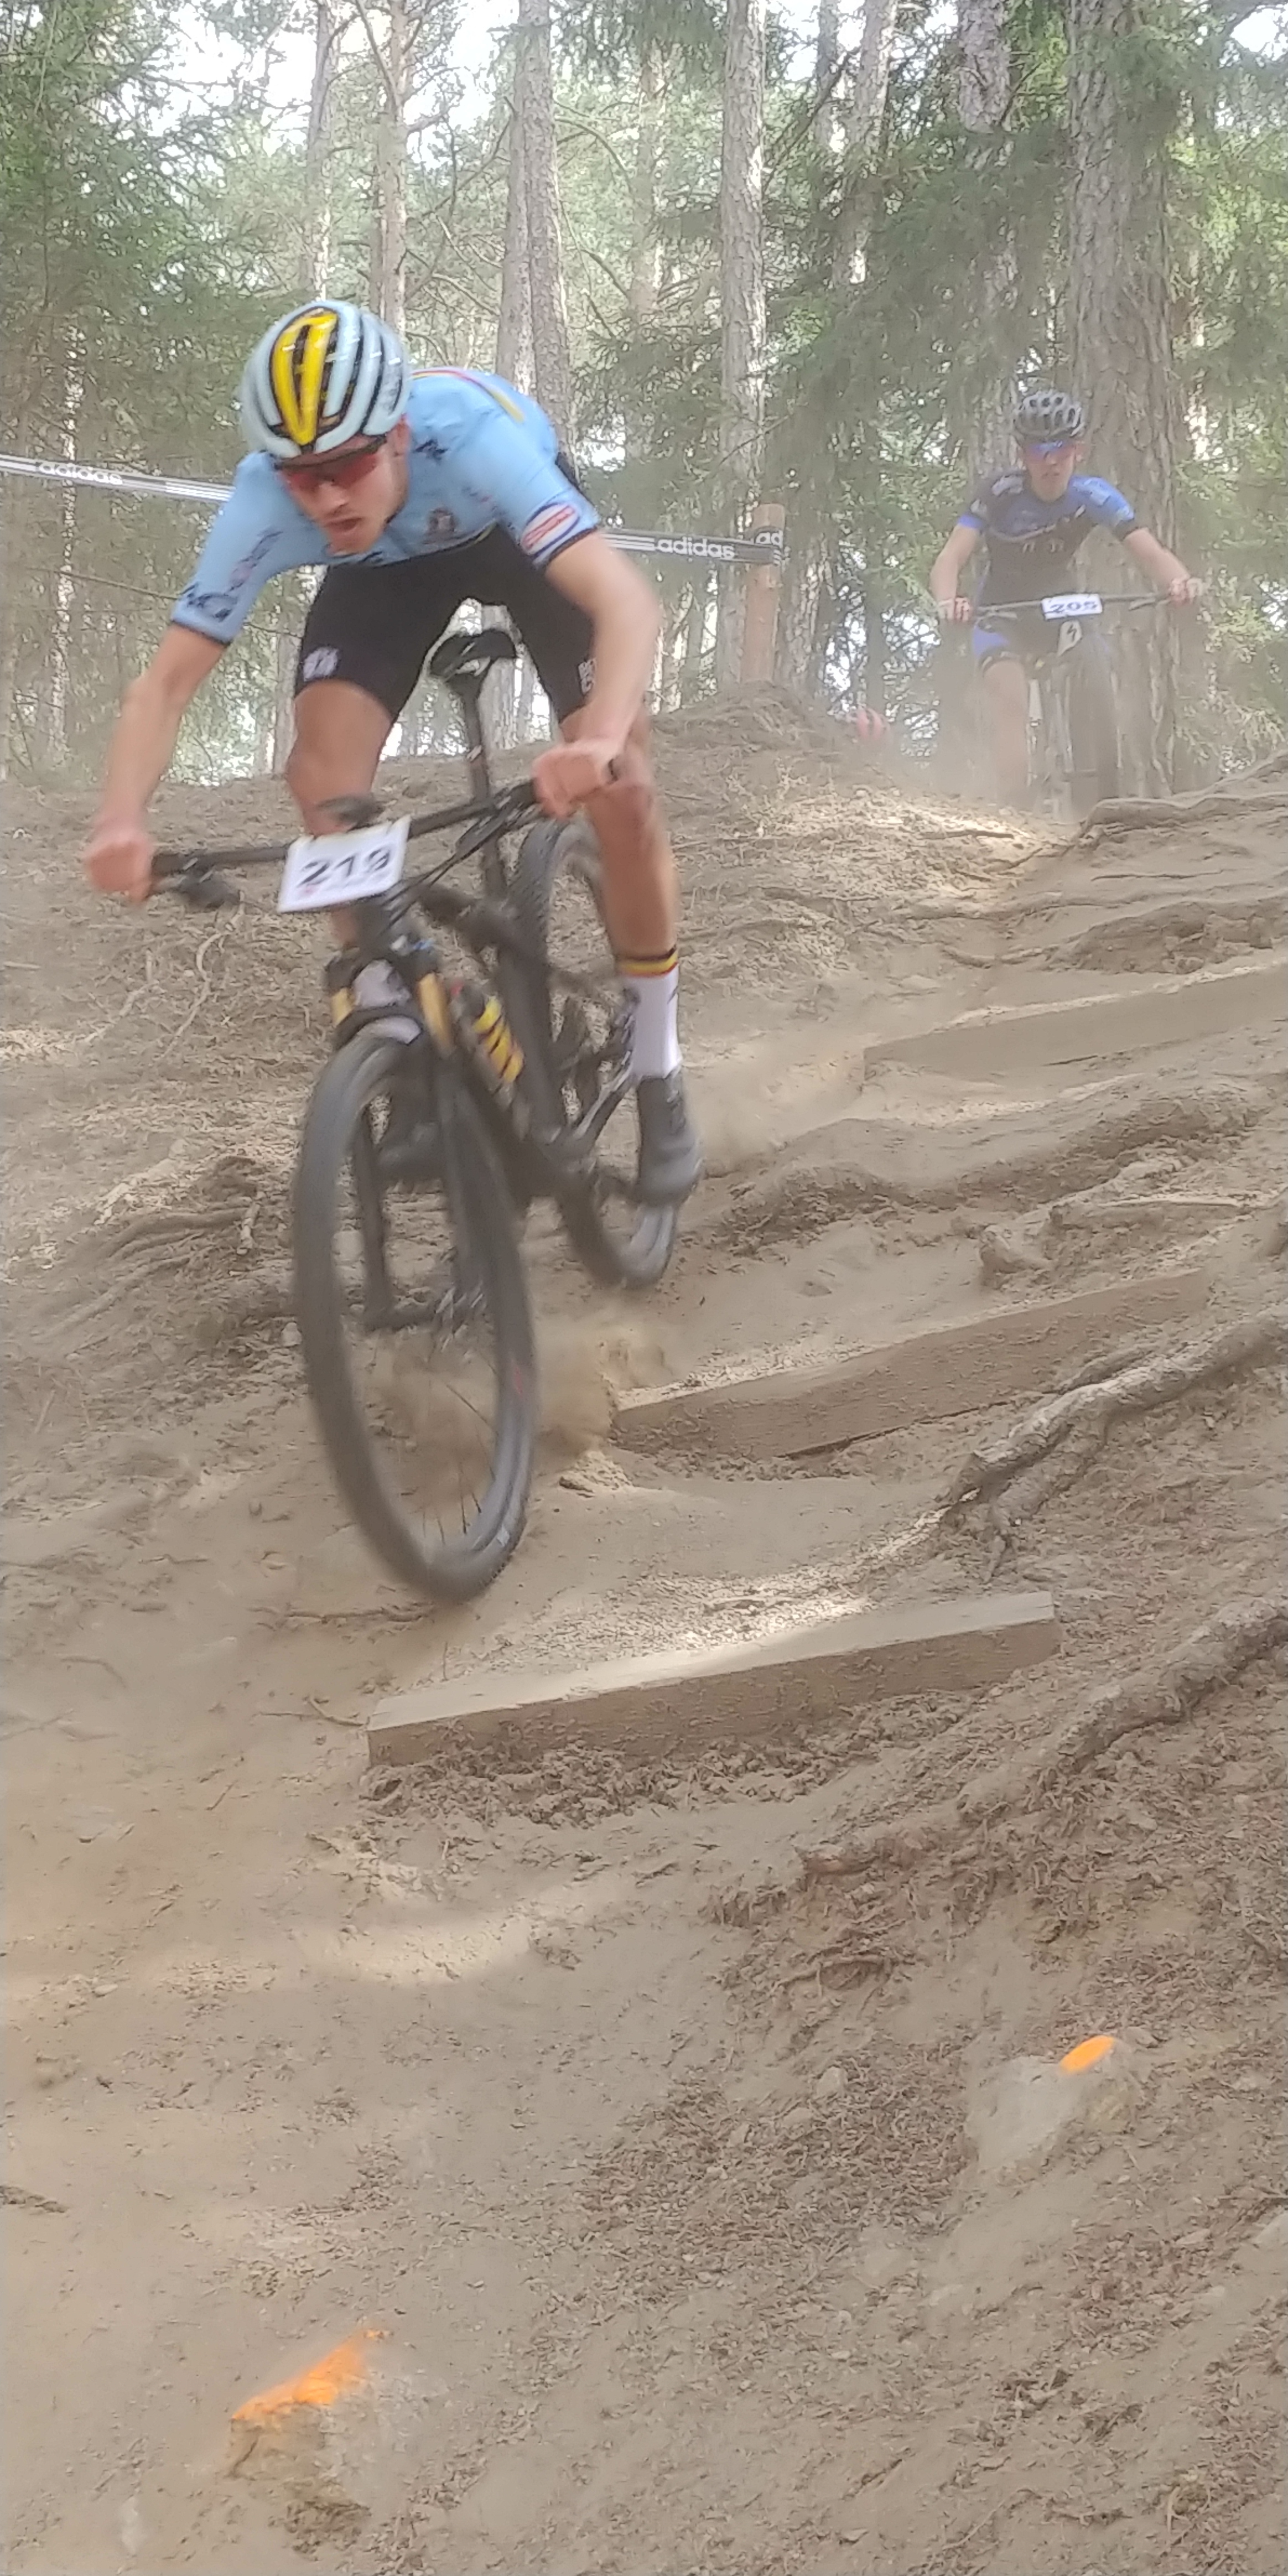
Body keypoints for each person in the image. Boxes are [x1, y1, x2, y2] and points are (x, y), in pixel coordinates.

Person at [83, 299, 702, 1206]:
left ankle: (656, 1059)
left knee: (625, 791)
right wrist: (120, 821)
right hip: (385, 565)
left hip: (505, 532)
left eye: (345, 465)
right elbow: (165, 686)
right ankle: (394, 1017)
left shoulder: (476, 443)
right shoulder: (271, 500)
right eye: (301, 476)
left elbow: (628, 605)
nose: (325, 495)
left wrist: (601, 738)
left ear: (398, 435)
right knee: (320, 777)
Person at [928, 388, 1202, 807]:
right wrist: (949, 601)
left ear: (1079, 450)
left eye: (1061, 449)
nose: (1051, 461)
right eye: (1039, 451)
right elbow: (951, 557)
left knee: (1097, 656)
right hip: (1001, 611)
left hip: (1060, 605)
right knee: (1010, 699)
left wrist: (1181, 582)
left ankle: (1104, 786)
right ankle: (1014, 808)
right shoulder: (999, 493)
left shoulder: (1094, 495)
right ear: (1023, 455)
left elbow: (1150, 552)